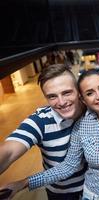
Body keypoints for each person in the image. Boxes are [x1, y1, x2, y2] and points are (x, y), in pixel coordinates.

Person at [1, 69, 99, 200]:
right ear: (83, 99)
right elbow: (68, 166)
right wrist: (24, 183)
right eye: (90, 93)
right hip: (89, 194)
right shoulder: (81, 125)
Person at [0, 64, 87, 200]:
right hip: (60, 193)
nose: (62, 102)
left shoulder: (92, 111)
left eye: (67, 92)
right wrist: (23, 183)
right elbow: (9, 151)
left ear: (78, 91)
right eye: (52, 96)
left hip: (93, 188)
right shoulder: (40, 121)